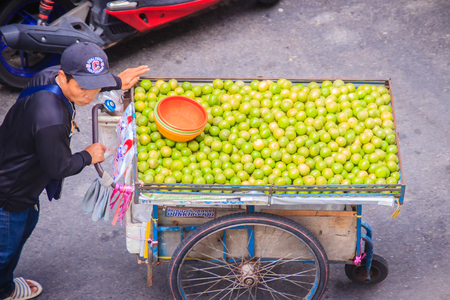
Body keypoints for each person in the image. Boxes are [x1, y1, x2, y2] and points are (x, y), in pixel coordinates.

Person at [0, 42, 149, 300]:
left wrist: (115, 82)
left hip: (16, 169)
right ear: (63, 77)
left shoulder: (47, 78)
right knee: (5, 248)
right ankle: (4, 289)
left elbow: (87, 83)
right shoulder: (52, 119)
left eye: (94, 86)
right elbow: (58, 166)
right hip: (10, 192)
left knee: (24, 230)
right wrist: (87, 156)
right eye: (82, 88)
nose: (89, 96)